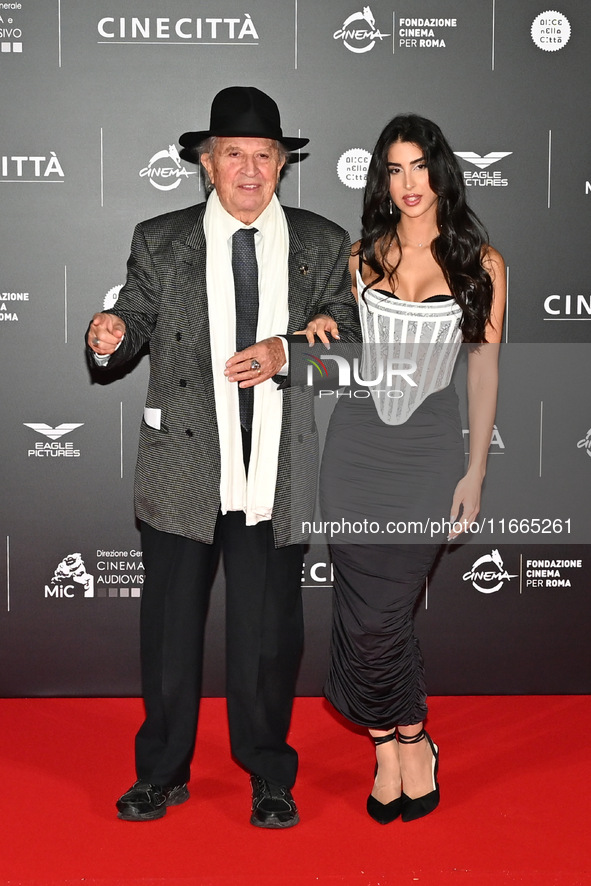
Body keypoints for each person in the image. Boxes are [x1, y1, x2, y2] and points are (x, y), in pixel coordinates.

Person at [85, 86, 360, 827]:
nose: (248, 168)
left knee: (269, 638)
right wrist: (111, 330)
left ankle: (269, 772)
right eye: (232, 154)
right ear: (206, 165)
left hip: (276, 467)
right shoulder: (160, 238)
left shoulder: (322, 242)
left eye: (263, 155)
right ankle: (161, 772)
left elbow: (353, 351)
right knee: (170, 632)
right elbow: (135, 314)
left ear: (282, 163)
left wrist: (287, 352)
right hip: (183, 468)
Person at [303, 113, 506, 823]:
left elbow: (481, 373)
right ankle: (391, 747)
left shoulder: (480, 263)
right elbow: (329, 362)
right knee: (361, 615)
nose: (407, 183)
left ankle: (414, 740)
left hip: (426, 454)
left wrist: (474, 471)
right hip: (355, 448)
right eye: (393, 169)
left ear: (440, 170)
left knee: (383, 615)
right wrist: (318, 336)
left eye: (418, 166)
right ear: (381, 180)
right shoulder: (359, 257)